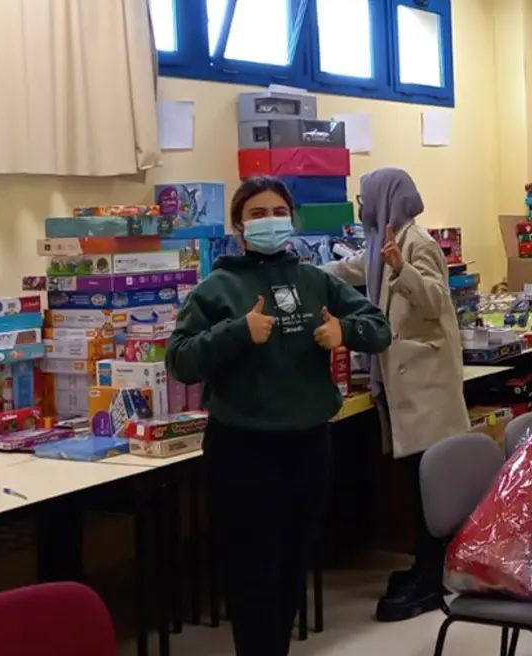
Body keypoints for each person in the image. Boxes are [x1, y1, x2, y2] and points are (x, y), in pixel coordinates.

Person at [166, 177, 392, 656]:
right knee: (253, 571)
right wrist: (237, 332)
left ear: (291, 219)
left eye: (277, 212)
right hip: (243, 449)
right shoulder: (218, 287)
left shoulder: (315, 280)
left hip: (308, 444)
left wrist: (343, 330)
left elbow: (379, 326)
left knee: (293, 564)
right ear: (239, 226)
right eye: (257, 213)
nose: (269, 221)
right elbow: (181, 360)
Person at [321, 167, 470, 622]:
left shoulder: (416, 243)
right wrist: (299, 270)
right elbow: (347, 270)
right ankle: (422, 567)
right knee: (412, 484)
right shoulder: (381, 244)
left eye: (365, 199)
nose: (361, 208)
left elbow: (434, 301)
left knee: (427, 488)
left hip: (425, 387)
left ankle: (431, 576)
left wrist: (402, 271)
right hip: (405, 387)